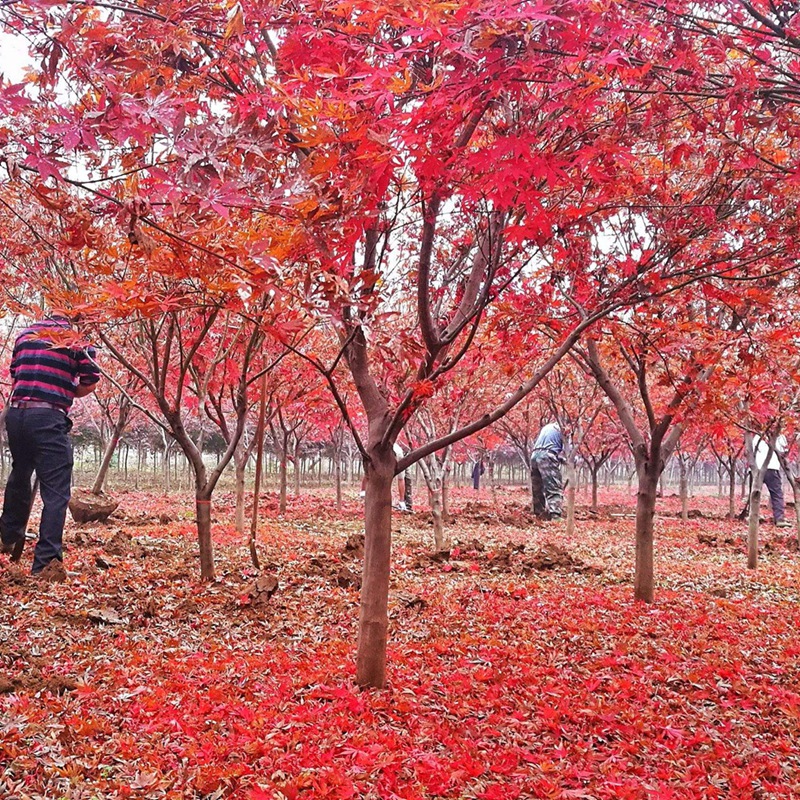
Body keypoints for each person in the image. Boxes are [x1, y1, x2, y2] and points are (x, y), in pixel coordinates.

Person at [0, 313, 101, 574]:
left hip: (17, 415)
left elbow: (15, 375)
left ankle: (8, 535)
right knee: (56, 491)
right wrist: (68, 390)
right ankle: (46, 562)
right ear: (78, 314)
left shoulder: (25, 335)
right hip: (47, 416)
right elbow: (90, 380)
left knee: (20, 472)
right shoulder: (76, 341)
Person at [752, 433, 791, 528]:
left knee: (754, 494)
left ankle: (752, 516)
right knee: (777, 494)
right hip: (772, 468)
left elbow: (751, 452)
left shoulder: (756, 437)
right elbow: (783, 452)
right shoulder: (779, 436)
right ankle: (779, 519)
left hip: (756, 469)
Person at [531, 421, 564, 520]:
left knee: (537, 487)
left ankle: (539, 513)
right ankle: (555, 515)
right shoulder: (563, 429)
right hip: (547, 456)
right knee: (553, 486)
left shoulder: (547, 427)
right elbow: (568, 450)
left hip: (534, 456)